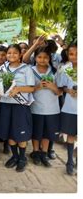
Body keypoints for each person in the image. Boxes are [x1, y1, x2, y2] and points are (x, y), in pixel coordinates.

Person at [0, 43, 35, 172]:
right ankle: (15, 156)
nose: (11, 55)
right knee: (10, 132)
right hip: (6, 104)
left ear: (20, 55)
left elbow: (32, 88)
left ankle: (22, 158)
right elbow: (0, 84)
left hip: (20, 105)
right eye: (9, 53)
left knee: (21, 134)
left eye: (14, 53)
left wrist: (18, 89)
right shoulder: (2, 68)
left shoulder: (26, 69)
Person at [29, 47, 61, 167]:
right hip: (35, 107)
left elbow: (60, 92)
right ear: (35, 58)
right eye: (39, 57)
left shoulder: (55, 71)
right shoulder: (30, 70)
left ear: (50, 58)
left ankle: (44, 153)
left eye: (45, 57)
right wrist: (38, 87)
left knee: (47, 133)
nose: (42, 60)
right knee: (36, 132)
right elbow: (27, 89)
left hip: (52, 108)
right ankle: (35, 152)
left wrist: (52, 87)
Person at [57, 44, 77, 175]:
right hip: (70, 107)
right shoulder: (66, 68)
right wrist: (68, 90)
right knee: (70, 135)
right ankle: (70, 161)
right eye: (71, 54)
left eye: (77, 53)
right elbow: (61, 86)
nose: (74, 56)